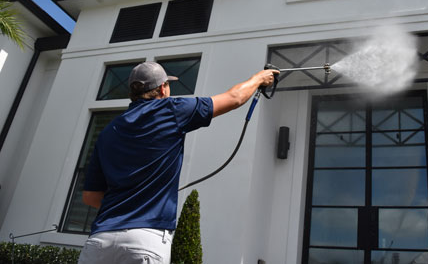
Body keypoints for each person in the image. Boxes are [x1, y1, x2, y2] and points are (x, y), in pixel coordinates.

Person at [78, 61, 278, 264]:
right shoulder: (172, 110)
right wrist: (260, 78)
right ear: (163, 89)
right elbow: (234, 98)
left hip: (100, 240)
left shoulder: (107, 132)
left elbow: (90, 196)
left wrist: (126, 207)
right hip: (146, 240)